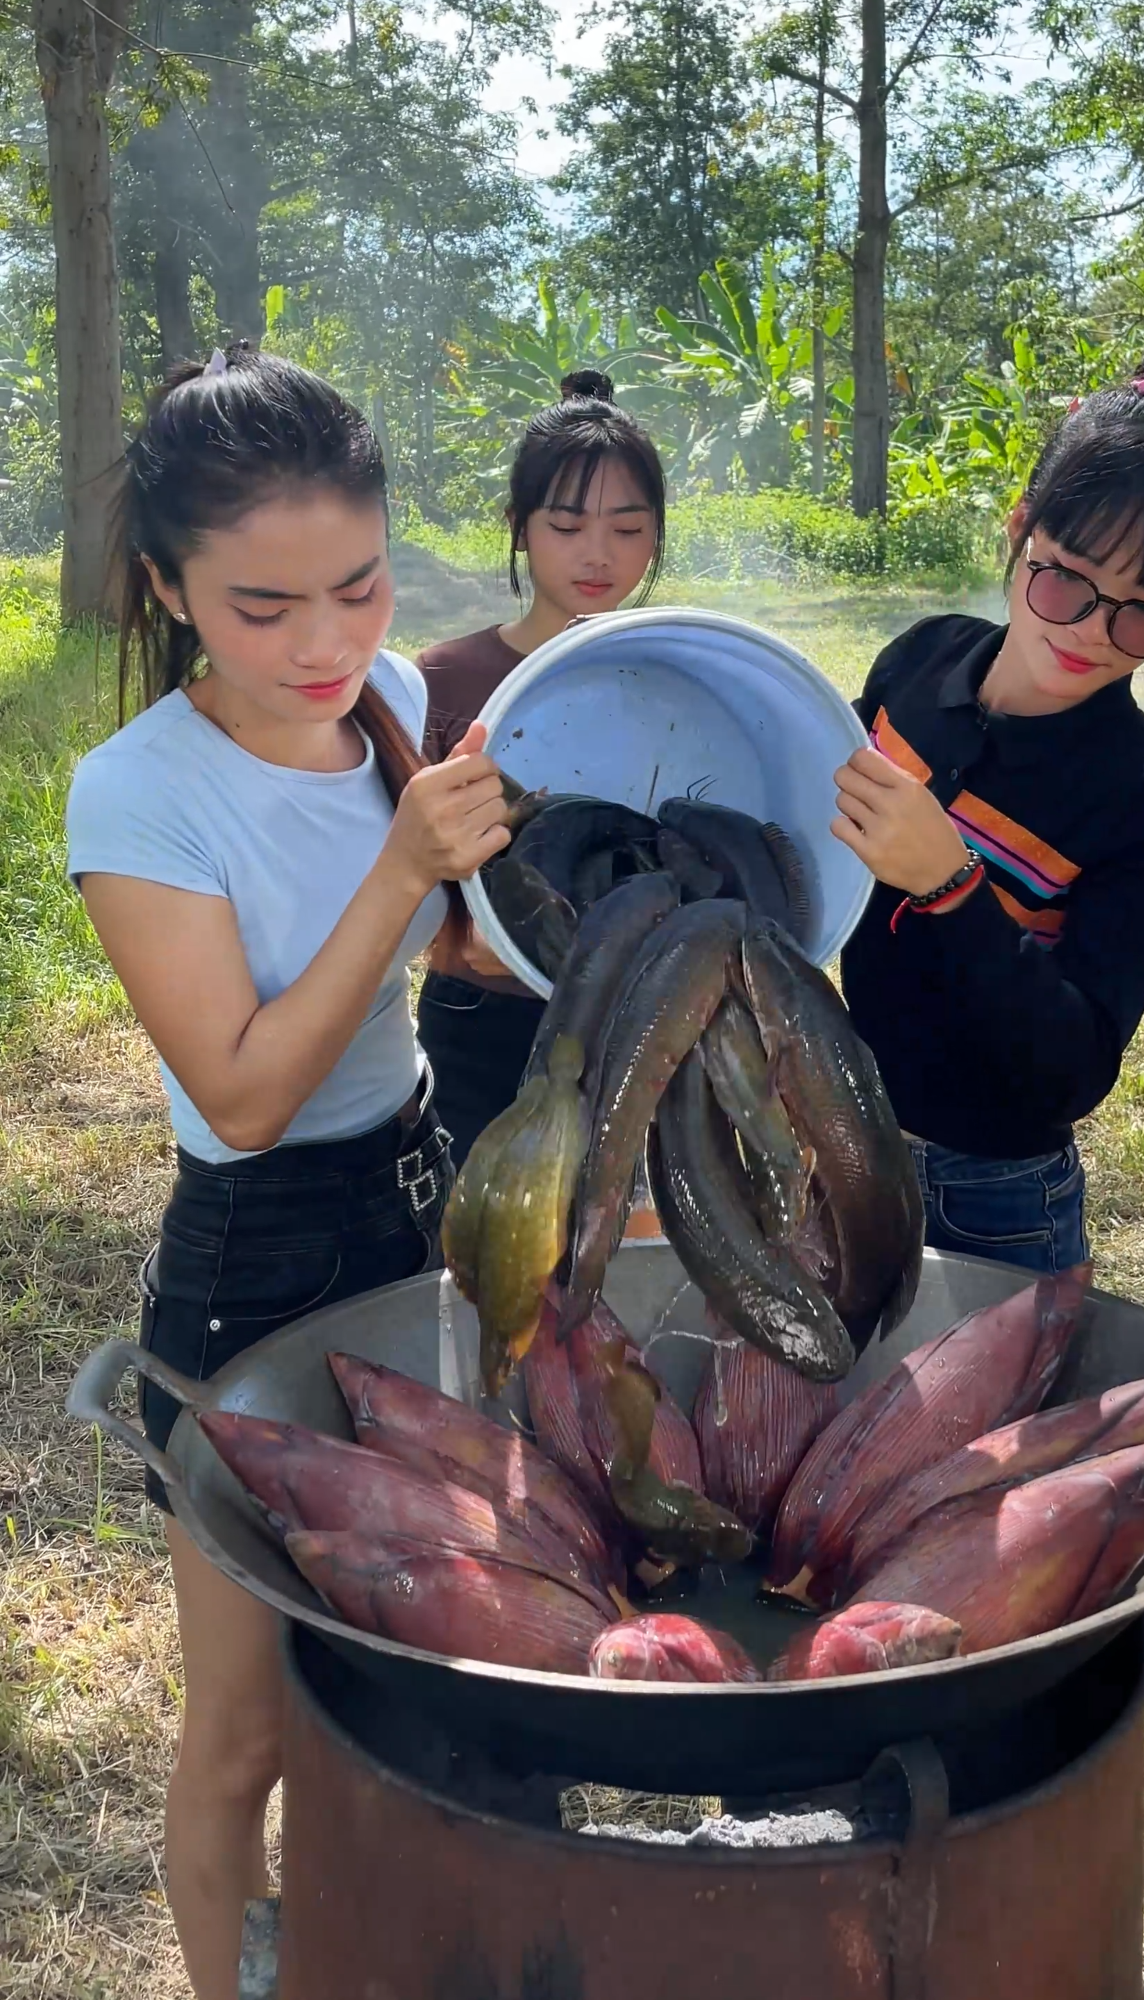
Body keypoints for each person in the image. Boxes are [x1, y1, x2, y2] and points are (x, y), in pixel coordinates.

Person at [65, 346, 511, 2000]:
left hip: (417, 1208)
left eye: (362, 585)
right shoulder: (140, 795)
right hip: (254, 1248)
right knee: (245, 1726)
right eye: (263, 609)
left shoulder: (385, 711)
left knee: (420, 1656)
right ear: (172, 588)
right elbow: (243, 1093)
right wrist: (404, 873)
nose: (327, 643)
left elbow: (433, 967)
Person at [832, 351, 1144, 1275]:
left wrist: (950, 884)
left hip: (991, 1192)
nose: (1088, 633)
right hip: (842, 1131)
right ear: (1022, 530)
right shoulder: (920, 664)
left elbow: (1072, 1067)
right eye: (1067, 579)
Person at [416, 369, 668, 1166]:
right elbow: (399, 883)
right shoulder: (442, 681)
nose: (599, 555)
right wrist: (461, 943)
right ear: (519, 526)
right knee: (486, 1259)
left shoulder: (684, 680)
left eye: (628, 530)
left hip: (637, 1022)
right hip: (480, 1022)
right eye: (566, 526)